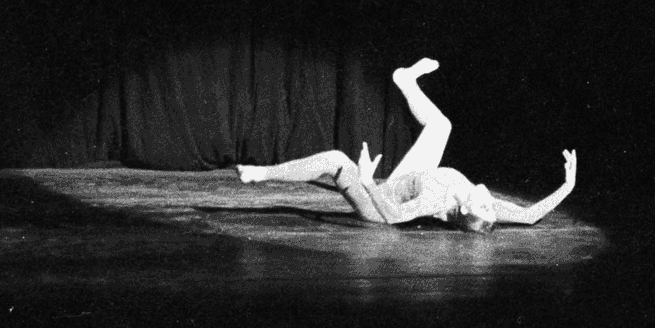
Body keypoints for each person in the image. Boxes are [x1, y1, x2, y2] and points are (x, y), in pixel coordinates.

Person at [237, 58, 576, 231]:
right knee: (442, 125)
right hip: (413, 177)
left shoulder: (438, 200)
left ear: (467, 210)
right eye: (492, 207)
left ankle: (260, 173)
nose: (492, 203)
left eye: (485, 207)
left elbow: (395, 218)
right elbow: (530, 216)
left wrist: (369, 183)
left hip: (379, 204)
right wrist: (568, 184)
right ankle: (407, 81)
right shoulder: (476, 200)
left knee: (337, 160)